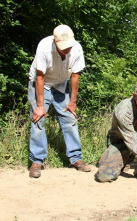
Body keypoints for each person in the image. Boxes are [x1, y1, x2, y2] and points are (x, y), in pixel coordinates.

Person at [28, 24, 91, 178]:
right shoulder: (44, 47)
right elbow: (40, 77)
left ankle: (76, 158)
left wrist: (72, 102)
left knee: (70, 119)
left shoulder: (76, 49)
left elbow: (75, 76)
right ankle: (37, 161)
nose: (67, 49)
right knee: (38, 119)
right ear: (55, 42)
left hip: (61, 85)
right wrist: (41, 106)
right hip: (41, 84)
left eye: (69, 46)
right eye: (63, 47)